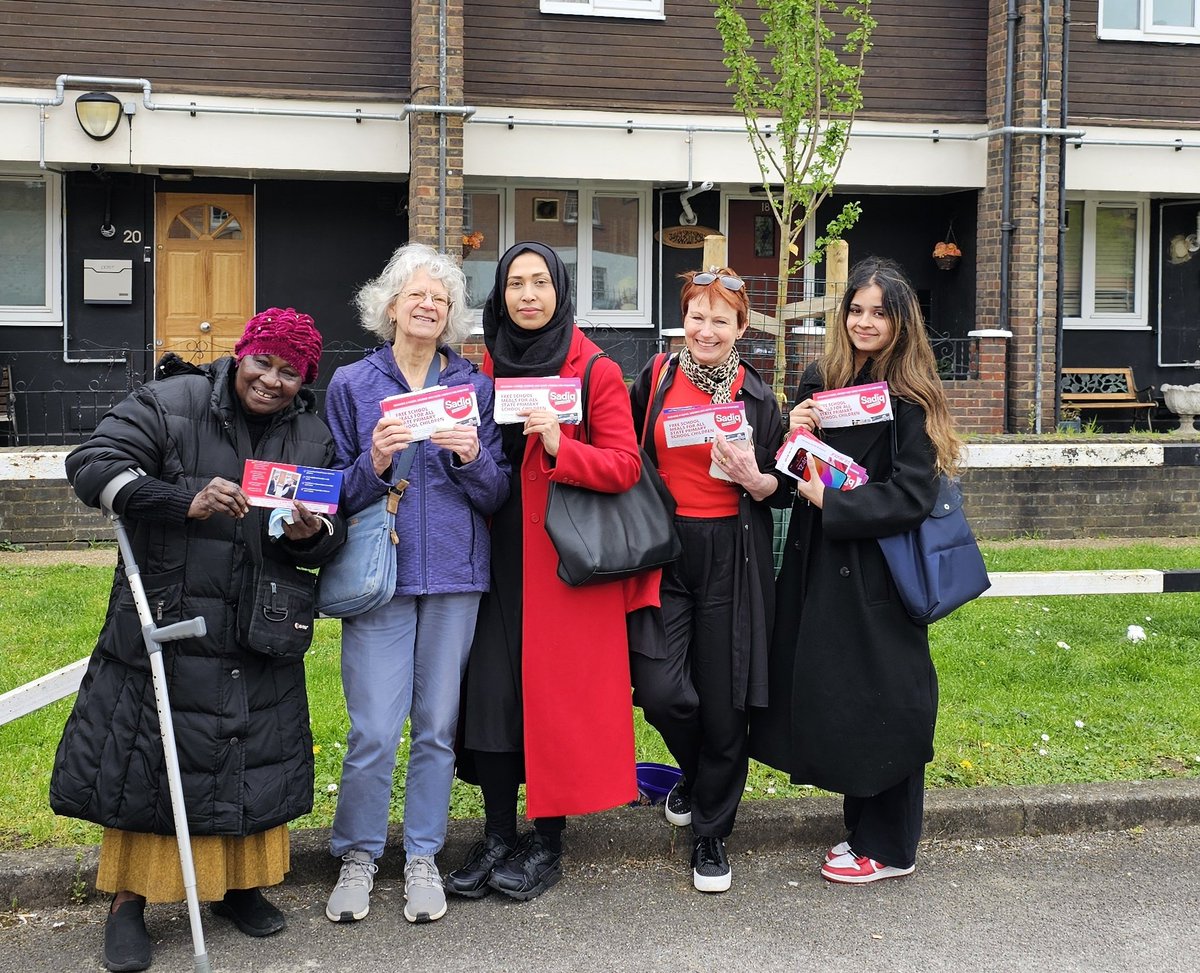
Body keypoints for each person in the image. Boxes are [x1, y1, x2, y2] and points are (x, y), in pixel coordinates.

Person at [50, 308, 346, 972]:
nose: (270, 380)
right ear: (241, 354)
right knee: (150, 765)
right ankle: (129, 902)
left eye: (288, 371)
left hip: (258, 627)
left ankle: (236, 888)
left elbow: (334, 534)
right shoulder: (172, 398)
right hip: (170, 615)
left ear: (305, 379)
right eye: (262, 362)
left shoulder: (311, 435)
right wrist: (181, 497)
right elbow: (91, 463)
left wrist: (310, 536)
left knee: (248, 756)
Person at [446, 241, 655, 902]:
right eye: (515, 283)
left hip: (561, 564)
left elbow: (625, 464)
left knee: (553, 705)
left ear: (561, 291)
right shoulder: (486, 365)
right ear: (500, 294)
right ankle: (500, 834)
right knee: (494, 698)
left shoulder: (594, 370)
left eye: (540, 282)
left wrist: (567, 447)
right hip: (495, 558)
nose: (528, 295)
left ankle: (548, 841)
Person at [750, 257, 962, 884]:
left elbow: (912, 495)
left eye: (880, 312)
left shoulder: (914, 393)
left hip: (882, 573)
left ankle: (892, 846)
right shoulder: (823, 376)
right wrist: (793, 433)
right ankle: (861, 828)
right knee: (849, 699)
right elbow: (795, 470)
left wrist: (831, 501)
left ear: (902, 321)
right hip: (823, 568)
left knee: (889, 700)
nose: (865, 322)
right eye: (856, 309)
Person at [321, 243, 509, 925]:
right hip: (384, 577)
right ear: (390, 305)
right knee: (373, 727)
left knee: (435, 726)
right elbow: (336, 491)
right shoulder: (353, 385)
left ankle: (423, 853)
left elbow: (496, 492)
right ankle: (359, 854)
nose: (429, 305)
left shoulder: (474, 387)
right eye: (417, 295)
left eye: (442, 298)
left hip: (456, 574)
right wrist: (373, 460)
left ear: (451, 315)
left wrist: (468, 458)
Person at [627, 267, 790, 893]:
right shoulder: (657, 380)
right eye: (698, 315)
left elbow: (780, 491)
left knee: (723, 702)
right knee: (663, 689)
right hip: (666, 549)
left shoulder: (758, 397)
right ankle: (696, 778)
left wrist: (755, 478)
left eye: (722, 319)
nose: (707, 329)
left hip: (732, 553)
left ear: (741, 329)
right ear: (683, 320)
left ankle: (712, 833)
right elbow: (627, 450)